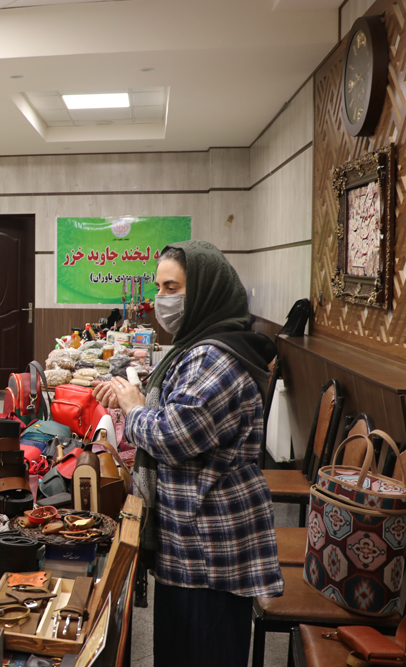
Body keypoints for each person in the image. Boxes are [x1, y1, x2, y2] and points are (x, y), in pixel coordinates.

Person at [92, 240, 282, 667]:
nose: (162, 300)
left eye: (173, 287)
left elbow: (172, 435)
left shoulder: (215, 357)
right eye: (159, 287)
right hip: (192, 540)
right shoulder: (201, 343)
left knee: (202, 651)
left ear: (206, 291)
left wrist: (134, 406)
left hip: (208, 551)